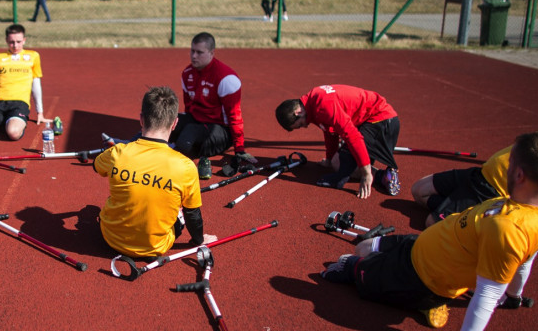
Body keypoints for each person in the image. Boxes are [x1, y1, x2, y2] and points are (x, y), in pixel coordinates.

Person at [323, 132, 538, 331]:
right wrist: (515, 296)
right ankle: (410, 293)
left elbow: (487, 294)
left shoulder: (509, 230)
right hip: (423, 243)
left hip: (418, 275)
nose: (504, 167)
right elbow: (527, 259)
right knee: (363, 246)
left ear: (519, 175)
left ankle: (361, 273)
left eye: (509, 163)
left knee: (353, 266)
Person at [410, 77, 538, 274]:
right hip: (481, 175)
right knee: (419, 191)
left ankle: (479, 219)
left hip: (496, 190)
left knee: (431, 222)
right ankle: (467, 213)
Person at [94, 86, 217, 260]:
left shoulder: (117, 152)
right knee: (180, 210)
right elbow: (193, 214)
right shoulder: (186, 166)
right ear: (174, 123)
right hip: (155, 248)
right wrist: (199, 240)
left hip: (111, 240)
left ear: (141, 120)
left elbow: (96, 166)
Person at [275, 85, 401, 198]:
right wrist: (329, 159)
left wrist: (366, 174)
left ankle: (383, 176)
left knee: (342, 163)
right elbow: (330, 130)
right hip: (371, 122)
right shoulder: (311, 105)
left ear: (298, 112)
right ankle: (370, 169)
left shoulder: (323, 104)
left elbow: (352, 136)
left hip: (382, 121)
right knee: (336, 162)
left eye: (300, 124)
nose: (305, 126)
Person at [171, 32, 256, 180]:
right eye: (192, 51)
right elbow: (188, 107)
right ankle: (135, 145)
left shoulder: (226, 78)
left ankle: (171, 163)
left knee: (189, 133)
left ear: (211, 53)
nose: (194, 56)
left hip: (220, 130)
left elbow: (234, 116)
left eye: (199, 52)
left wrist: (239, 149)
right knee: (169, 120)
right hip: (198, 122)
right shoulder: (187, 73)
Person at [0, 23, 51, 141]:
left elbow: (36, 85)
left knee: (13, 133)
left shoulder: (33, 56)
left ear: (24, 40)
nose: (15, 45)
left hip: (19, 102)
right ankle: (5, 118)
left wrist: (40, 113)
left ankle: (12, 120)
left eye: (19, 41)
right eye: (11, 42)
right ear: (6, 40)